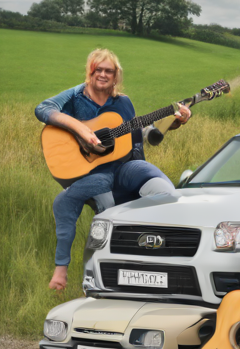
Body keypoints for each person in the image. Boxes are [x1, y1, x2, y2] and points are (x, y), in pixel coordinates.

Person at [35, 48, 190, 291]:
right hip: (92, 173)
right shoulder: (76, 96)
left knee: (166, 194)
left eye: (110, 71)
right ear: (91, 71)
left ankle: (155, 262)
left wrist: (174, 122)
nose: (104, 75)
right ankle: (90, 277)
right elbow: (43, 108)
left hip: (127, 166)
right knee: (108, 214)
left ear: (116, 75)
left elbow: (141, 134)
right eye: (99, 70)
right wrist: (81, 129)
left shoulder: (123, 102)